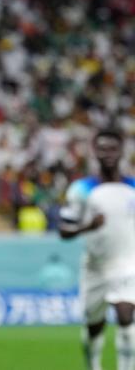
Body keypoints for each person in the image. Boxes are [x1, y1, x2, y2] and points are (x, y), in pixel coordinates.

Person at [59, 129, 135, 370]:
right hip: (95, 266)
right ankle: (93, 364)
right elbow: (64, 230)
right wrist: (88, 226)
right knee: (94, 325)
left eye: (113, 148)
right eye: (102, 149)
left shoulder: (132, 186)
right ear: (94, 152)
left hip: (126, 263)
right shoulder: (81, 189)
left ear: (122, 151)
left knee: (126, 316)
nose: (108, 154)